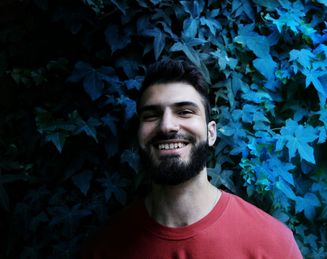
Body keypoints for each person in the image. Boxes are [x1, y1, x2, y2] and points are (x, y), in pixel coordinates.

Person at [81, 59, 303, 259]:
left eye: (185, 112)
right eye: (151, 115)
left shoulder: (273, 244)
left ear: (212, 133)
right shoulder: (105, 247)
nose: (167, 125)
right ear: (138, 133)